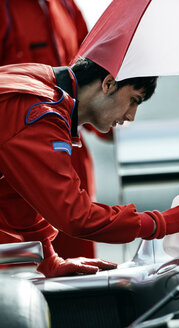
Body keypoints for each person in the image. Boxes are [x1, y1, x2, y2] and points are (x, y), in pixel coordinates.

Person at [0, 57, 179, 277]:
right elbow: (76, 216)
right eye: (134, 100)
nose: (131, 116)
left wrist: (49, 258)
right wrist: (159, 223)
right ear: (108, 83)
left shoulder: (35, 80)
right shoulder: (39, 111)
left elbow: (14, 194)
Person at [0, 0, 102, 258]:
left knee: (81, 267)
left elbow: (92, 71)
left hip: (70, 154)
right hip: (20, 165)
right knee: (20, 276)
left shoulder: (66, 6)